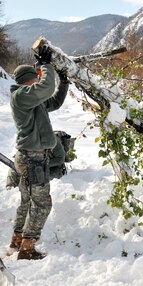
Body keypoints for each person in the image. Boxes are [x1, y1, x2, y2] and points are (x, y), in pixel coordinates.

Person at [8, 46, 69, 260]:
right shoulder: (21, 96)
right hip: (32, 158)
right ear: (29, 80)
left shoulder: (32, 99)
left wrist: (65, 81)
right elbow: (45, 88)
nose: (38, 81)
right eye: (36, 78)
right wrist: (46, 65)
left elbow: (54, 101)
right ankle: (27, 249)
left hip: (30, 156)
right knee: (43, 203)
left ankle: (17, 241)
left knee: (27, 200)